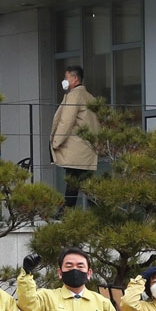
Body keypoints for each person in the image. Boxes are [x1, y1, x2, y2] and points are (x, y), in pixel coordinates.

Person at [51, 65, 99, 209]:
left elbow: (66, 121)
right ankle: (98, 211)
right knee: (82, 182)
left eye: (66, 77)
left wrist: (56, 142)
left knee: (74, 180)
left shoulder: (74, 95)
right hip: (87, 148)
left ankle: (64, 212)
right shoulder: (90, 97)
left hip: (76, 148)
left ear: (75, 78)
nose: (64, 80)